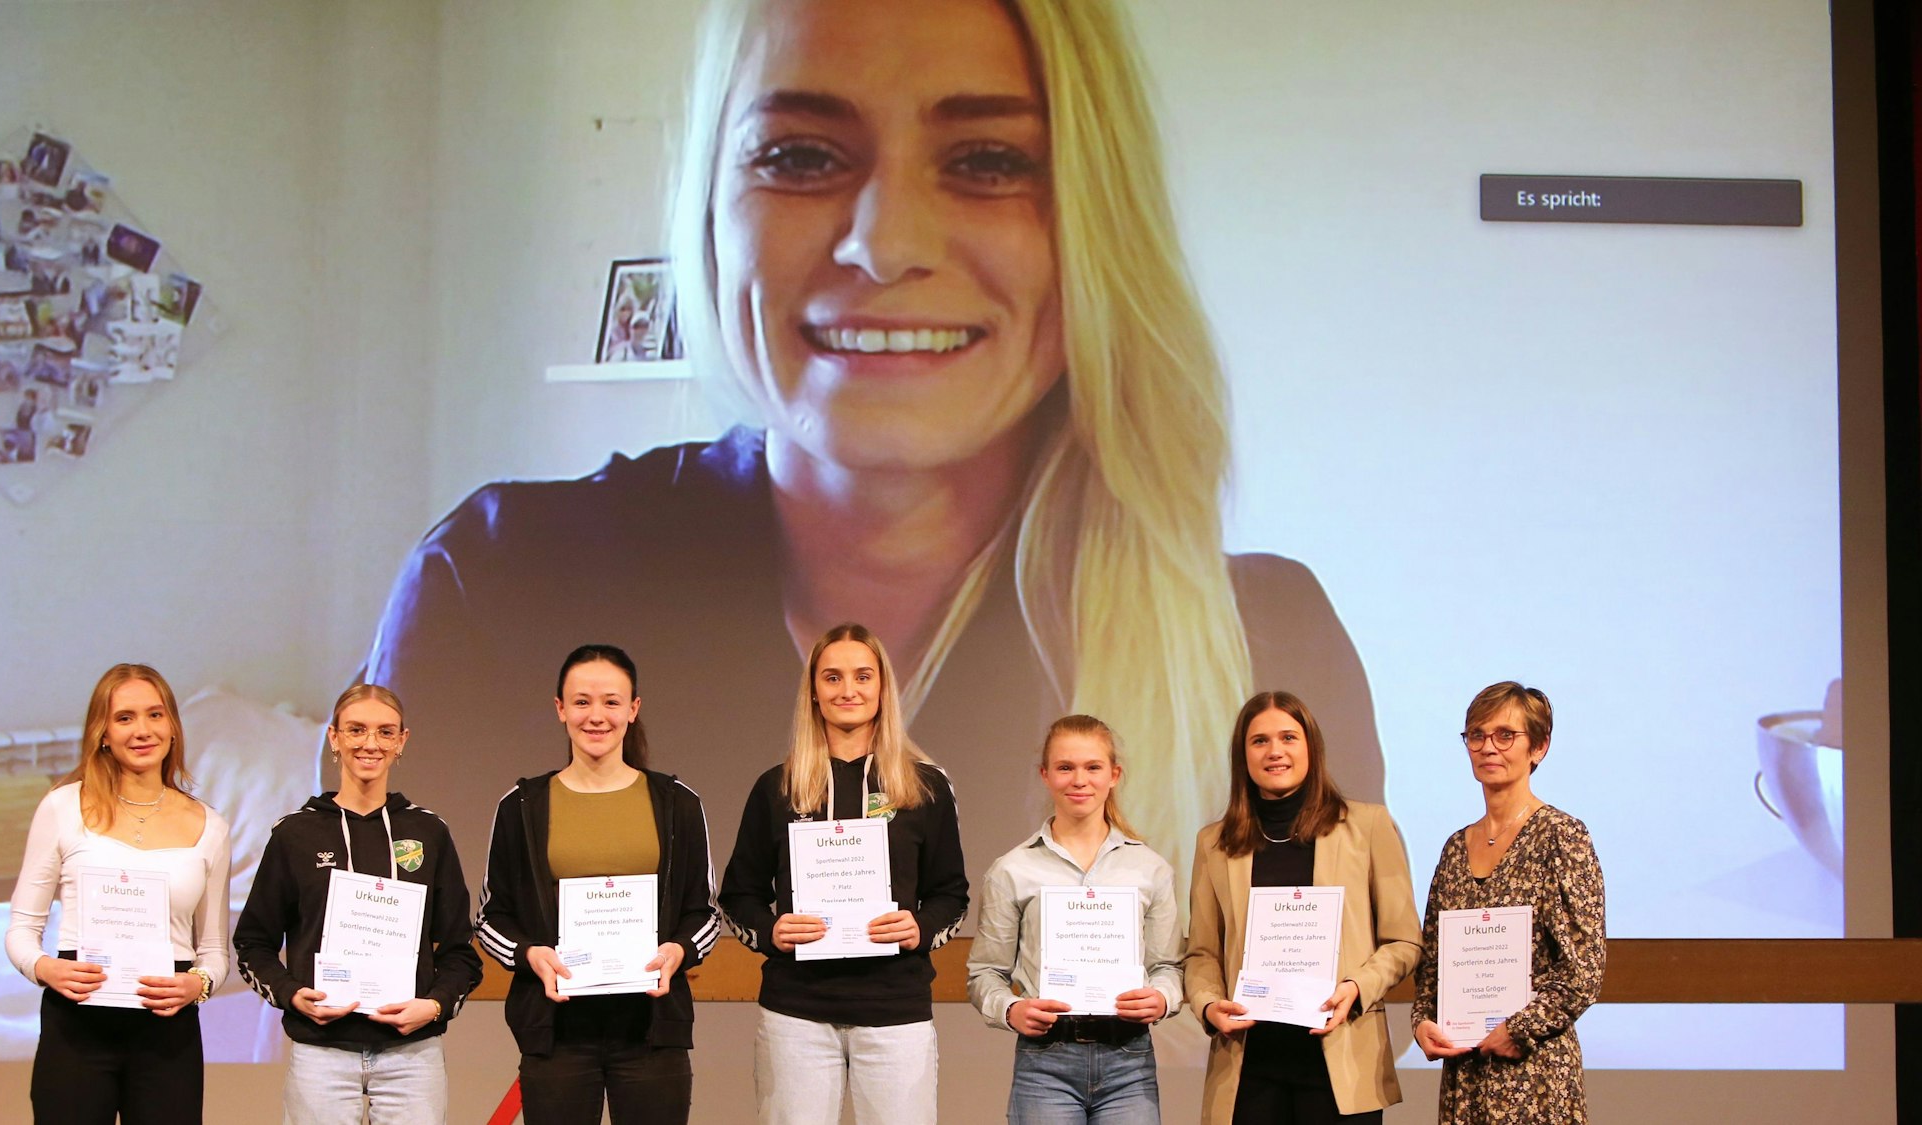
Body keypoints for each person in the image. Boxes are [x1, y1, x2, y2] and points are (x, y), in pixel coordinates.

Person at [361, 0, 1380, 888]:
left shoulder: (1262, 649)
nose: (886, 242)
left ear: (1097, 224)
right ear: (710, 208)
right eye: (801, 157)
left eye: (988, 162)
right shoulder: (499, 586)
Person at [719, 622, 968, 1125]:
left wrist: (920, 928)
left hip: (897, 1011)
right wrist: (771, 931)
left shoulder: (926, 786)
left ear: (882, 689)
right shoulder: (778, 787)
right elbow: (738, 895)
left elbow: (952, 895)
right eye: (832, 678)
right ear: (813, 692)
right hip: (796, 1013)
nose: (848, 690)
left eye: (862, 676)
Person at [476, 644, 719, 1125]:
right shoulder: (522, 806)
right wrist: (529, 955)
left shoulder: (677, 803)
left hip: (651, 1030)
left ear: (633, 710)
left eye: (611, 701)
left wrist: (679, 952)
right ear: (560, 709)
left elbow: (705, 911)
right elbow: (489, 917)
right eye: (582, 702)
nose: (596, 716)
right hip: (557, 1031)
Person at [232, 684, 483, 1124]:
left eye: (385, 732)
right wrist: (293, 996)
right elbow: (253, 943)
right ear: (334, 737)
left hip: (412, 1055)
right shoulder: (294, 835)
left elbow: (461, 952)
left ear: (402, 741)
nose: (371, 743)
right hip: (321, 1052)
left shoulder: (429, 833)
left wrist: (436, 1005)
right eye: (356, 730)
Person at [4, 663, 231, 1123]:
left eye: (155, 714)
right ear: (102, 732)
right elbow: (22, 929)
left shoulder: (211, 825)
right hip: (78, 1026)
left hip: (168, 1033)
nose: (142, 730)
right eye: (125, 717)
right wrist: (45, 968)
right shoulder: (62, 806)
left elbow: (212, 950)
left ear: (172, 727)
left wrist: (200, 984)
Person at [1186, 692, 1421, 1125]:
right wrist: (1207, 1004)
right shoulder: (1214, 843)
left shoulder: (1367, 826)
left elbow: (1404, 941)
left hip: (1341, 1066)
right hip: (1248, 1070)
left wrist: (1356, 988)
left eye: (1288, 737)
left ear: (1310, 746)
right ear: (1243, 755)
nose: (1275, 751)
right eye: (1259, 741)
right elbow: (1202, 953)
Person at [966, 714, 1182, 1124]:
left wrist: (1162, 998)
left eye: (1093, 767)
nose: (1079, 780)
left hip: (1129, 1060)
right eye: (1065, 767)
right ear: (1045, 775)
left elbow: (1167, 967)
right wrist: (1010, 1009)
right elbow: (985, 973)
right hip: (1045, 1061)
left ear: (1114, 775)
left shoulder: (1150, 869)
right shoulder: (1011, 870)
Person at [1411, 683, 1605, 1124]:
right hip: (1466, 1074)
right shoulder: (1455, 848)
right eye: (1476, 735)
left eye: (1504, 735)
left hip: (1534, 1073)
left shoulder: (1562, 836)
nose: (1487, 747)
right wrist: (1423, 1021)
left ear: (1538, 747)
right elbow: (1433, 963)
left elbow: (1584, 969)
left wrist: (1519, 1030)